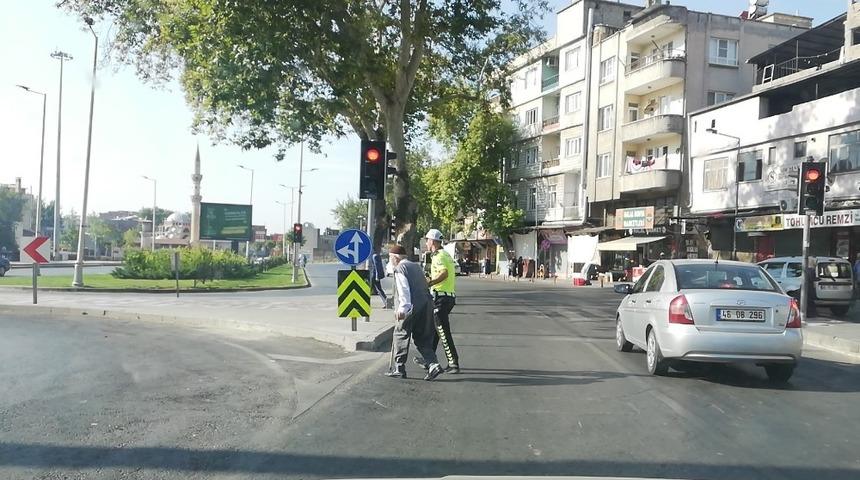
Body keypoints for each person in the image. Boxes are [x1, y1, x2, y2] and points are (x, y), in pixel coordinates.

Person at [385, 244, 444, 381]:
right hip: (426, 304)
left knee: (401, 334)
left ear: (395, 258)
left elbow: (403, 290)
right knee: (422, 337)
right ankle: (433, 364)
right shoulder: (416, 266)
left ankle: (399, 368)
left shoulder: (400, 269)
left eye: (390, 258)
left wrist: (402, 309)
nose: (390, 261)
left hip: (411, 307)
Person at [418, 228, 461, 374]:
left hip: (441, 298)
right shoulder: (445, 254)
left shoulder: (439, 256)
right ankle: (429, 360)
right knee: (435, 331)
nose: (427, 243)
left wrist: (430, 282)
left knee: (442, 332)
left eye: (428, 240)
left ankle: (453, 362)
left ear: (433, 241)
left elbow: (444, 273)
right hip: (447, 296)